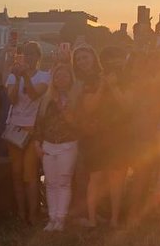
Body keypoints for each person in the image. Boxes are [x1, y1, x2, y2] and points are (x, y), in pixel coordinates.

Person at [74, 44, 130, 229]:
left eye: (85, 57)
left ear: (94, 57)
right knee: (96, 178)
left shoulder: (117, 75)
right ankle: (92, 219)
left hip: (117, 132)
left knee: (116, 178)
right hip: (95, 135)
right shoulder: (86, 81)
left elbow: (126, 106)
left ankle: (114, 219)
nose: (83, 62)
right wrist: (102, 87)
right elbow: (90, 108)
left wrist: (112, 86)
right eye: (79, 59)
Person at [4, 42, 50, 226]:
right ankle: (21, 213)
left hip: (32, 130)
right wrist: (16, 77)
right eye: (26, 54)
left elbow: (33, 95)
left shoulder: (45, 76)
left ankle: (33, 214)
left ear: (38, 57)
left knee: (29, 173)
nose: (29, 58)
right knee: (16, 173)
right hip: (15, 129)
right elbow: (12, 99)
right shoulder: (14, 76)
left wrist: (25, 77)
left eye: (32, 54)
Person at [33, 64, 81, 232]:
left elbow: (78, 124)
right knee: (50, 183)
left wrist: (65, 110)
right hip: (48, 144)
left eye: (65, 76)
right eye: (58, 76)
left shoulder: (75, 99)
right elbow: (39, 123)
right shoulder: (46, 99)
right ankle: (52, 218)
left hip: (67, 144)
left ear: (70, 79)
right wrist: (37, 143)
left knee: (64, 182)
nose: (61, 79)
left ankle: (61, 218)